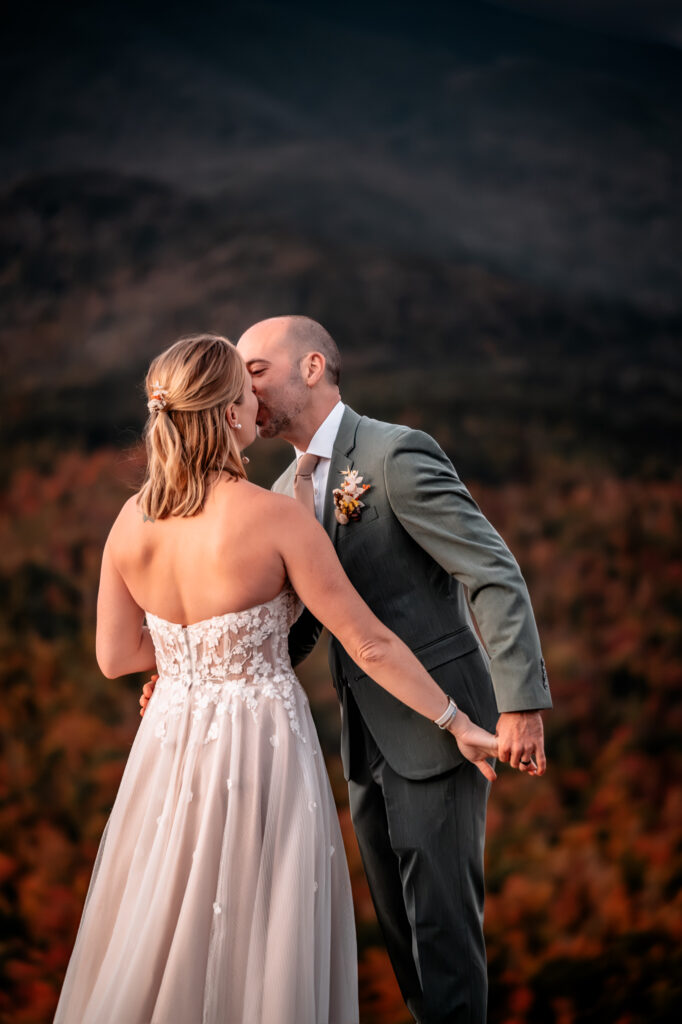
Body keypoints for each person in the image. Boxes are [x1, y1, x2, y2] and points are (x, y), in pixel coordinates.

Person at [55, 333, 501, 1024]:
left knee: (166, 913)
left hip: (170, 742)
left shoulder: (130, 520)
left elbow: (115, 656)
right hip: (259, 744)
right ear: (230, 415)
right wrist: (457, 721)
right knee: (261, 930)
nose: (256, 405)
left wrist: (190, 660)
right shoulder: (274, 517)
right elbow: (369, 642)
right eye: (246, 395)